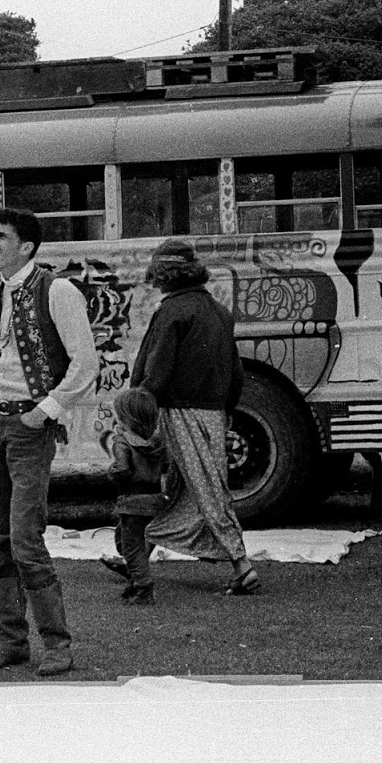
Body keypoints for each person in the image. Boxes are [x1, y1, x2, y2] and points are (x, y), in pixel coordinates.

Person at [0, 207, 97, 677]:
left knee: (25, 538)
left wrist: (43, 413)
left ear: (26, 247)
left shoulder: (57, 291)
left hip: (27, 429)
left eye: (1, 236)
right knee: (1, 539)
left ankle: (57, 644)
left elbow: (85, 364)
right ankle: (12, 644)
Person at [126, 238, 261, 596]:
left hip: (180, 412)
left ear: (165, 275)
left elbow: (156, 368)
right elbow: (235, 371)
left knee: (203, 488)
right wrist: (227, 409)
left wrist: (138, 404)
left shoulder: (171, 312)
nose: (153, 281)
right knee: (184, 486)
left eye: (155, 275)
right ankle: (137, 558)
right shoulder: (218, 311)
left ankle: (242, 564)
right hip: (214, 414)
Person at [101, 388, 176, 606]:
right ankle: (135, 581)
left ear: (125, 418)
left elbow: (122, 471)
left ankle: (144, 588)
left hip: (132, 502)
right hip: (153, 500)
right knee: (129, 539)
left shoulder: (122, 442)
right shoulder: (157, 443)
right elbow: (166, 466)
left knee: (131, 549)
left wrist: (112, 473)